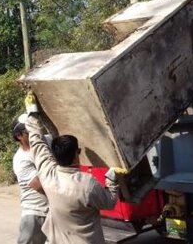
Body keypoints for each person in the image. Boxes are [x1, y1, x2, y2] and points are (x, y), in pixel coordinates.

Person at [23, 92, 125, 244]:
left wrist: (32, 113)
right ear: (76, 155)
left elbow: (37, 142)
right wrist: (111, 178)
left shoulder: (48, 173)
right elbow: (109, 203)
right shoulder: (87, 184)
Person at [12, 114, 48, 244]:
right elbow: (41, 187)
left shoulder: (46, 140)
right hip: (36, 213)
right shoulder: (21, 159)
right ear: (19, 136)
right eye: (30, 131)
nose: (35, 134)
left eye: (35, 129)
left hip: (53, 210)